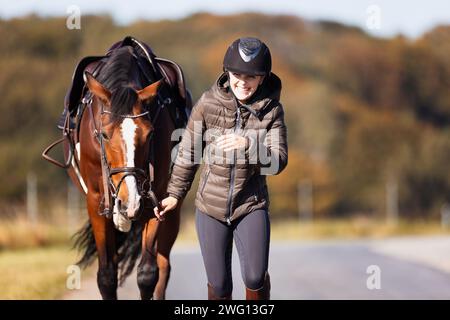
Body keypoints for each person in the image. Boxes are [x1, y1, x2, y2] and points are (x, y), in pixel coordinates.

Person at [154, 37, 288, 300]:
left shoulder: (272, 111)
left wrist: (247, 145)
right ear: (226, 72)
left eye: (251, 76)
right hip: (210, 209)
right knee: (219, 285)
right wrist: (174, 194)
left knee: (255, 277)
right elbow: (188, 153)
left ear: (263, 78)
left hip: (251, 205)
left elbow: (278, 160)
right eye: (237, 74)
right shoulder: (206, 104)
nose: (243, 82)